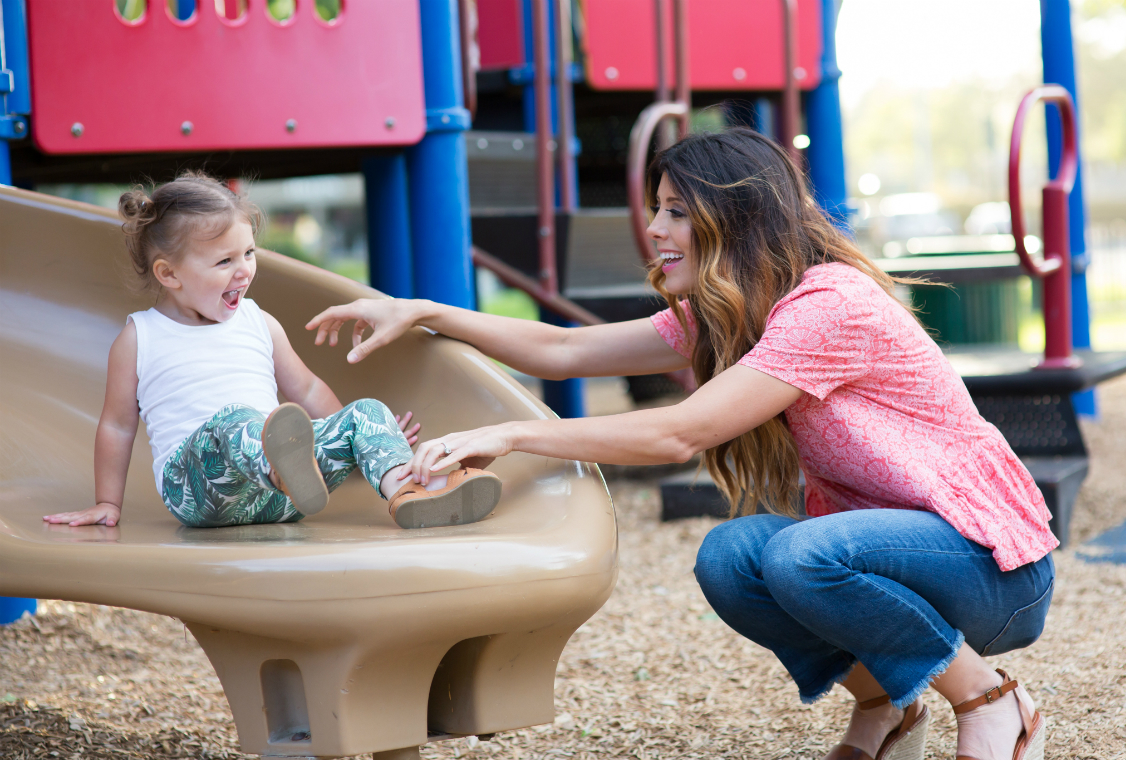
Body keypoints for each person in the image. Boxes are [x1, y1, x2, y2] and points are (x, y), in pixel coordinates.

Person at [307, 129, 1054, 760]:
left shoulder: (830, 305)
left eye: (673, 212)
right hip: (898, 562)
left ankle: (991, 700)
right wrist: (425, 310)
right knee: (731, 560)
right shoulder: (735, 313)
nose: (656, 231)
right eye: (655, 211)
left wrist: (511, 433)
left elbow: (678, 432)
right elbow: (564, 349)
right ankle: (892, 705)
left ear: (737, 217)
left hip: (992, 570)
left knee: (803, 554)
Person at [44, 172, 500, 532]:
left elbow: (305, 388)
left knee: (367, 412)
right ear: (169, 274)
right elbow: (118, 425)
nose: (243, 271)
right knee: (234, 421)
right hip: (201, 490)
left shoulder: (259, 322)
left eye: (249, 253)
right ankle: (277, 463)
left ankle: (414, 489)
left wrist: (359, 440)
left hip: (284, 500)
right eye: (224, 261)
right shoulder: (140, 338)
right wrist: (108, 502)